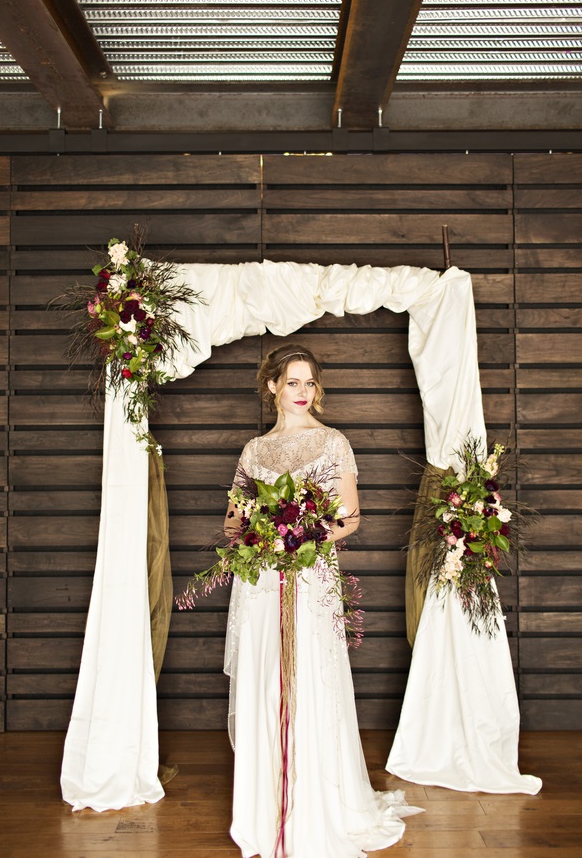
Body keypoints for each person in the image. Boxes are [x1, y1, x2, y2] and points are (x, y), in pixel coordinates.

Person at [223, 343, 422, 858]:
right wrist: (258, 535)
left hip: (310, 578)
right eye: (292, 382)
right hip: (263, 584)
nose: (302, 392)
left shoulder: (334, 443)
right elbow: (233, 522)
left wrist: (301, 538)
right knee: (266, 681)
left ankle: (317, 805)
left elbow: (350, 517)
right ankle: (265, 808)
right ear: (271, 387)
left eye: (309, 382)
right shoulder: (253, 451)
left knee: (310, 677)